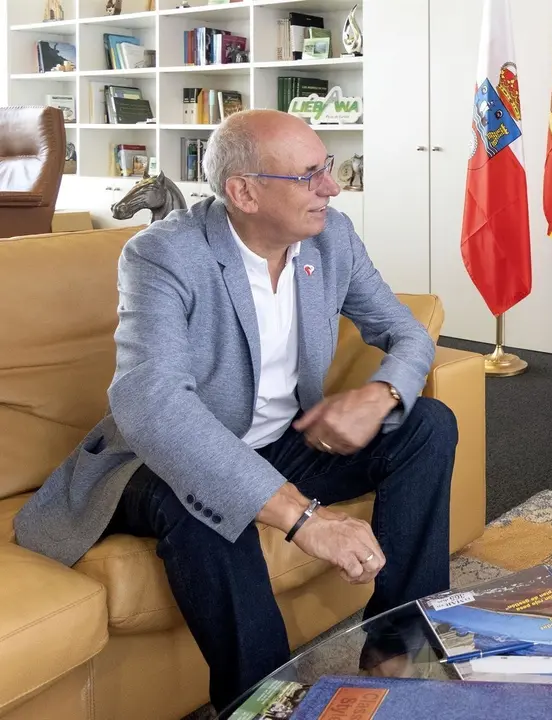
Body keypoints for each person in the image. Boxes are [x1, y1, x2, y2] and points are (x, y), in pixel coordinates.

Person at [13, 109, 457, 711]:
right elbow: (152, 402)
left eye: (327, 167)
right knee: (202, 505)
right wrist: (305, 519)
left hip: (282, 440)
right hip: (157, 463)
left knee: (426, 424)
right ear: (242, 191)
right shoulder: (162, 255)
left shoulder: (331, 238)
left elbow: (409, 336)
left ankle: (398, 653)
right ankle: (267, 702)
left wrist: (381, 394)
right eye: (310, 175)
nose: (332, 186)